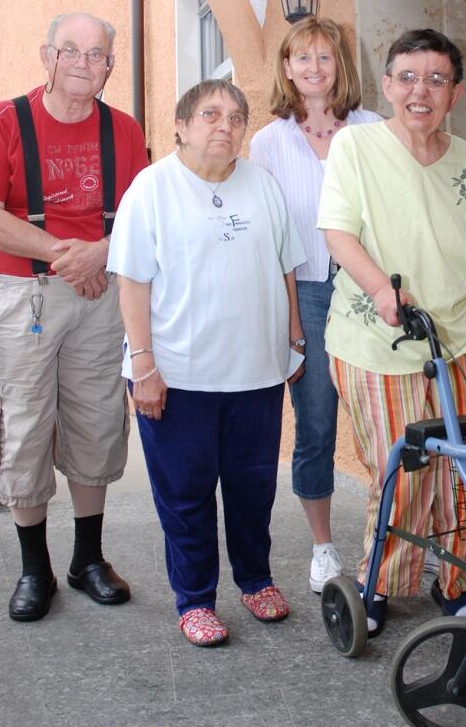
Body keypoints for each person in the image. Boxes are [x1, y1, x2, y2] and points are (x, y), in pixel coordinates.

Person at [317, 28, 466, 635]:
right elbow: (339, 234)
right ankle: (379, 584)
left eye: (436, 79)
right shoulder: (356, 147)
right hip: (382, 340)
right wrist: (381, 288)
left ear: (456, 92)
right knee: (404, 470)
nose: (420, 90)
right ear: (389, 85)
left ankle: (461, 578)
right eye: (407, 77)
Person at [0, 12, 148, 621]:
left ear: (109, 67)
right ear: (47, 56)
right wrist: (66, 256)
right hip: (23, 295)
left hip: (100, 292)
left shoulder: (123, 129)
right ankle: (34, 568)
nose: (82, 63)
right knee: (23, 422)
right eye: (70, 50)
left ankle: (87, 559)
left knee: (96, 418)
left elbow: (141, 218)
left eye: (96, 54)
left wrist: (102, 252)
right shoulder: (1, 121)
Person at [107, 79, 306, 647]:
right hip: (177, 376)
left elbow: (286, 266)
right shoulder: (151, 189)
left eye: (237, 117)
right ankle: (194, 599)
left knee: (252, 487)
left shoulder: (261, 184)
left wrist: (294, 338)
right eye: (211, 114)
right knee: (186, 492)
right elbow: (132, 283)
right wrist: (142, 364)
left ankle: (255, 579)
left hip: (256, 373)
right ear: (181, 125)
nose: (226, 125)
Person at [249, 17, 380, 594]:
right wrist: (292, 329)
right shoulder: (269, 142)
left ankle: (393, 537)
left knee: (385, 418)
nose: (314, 68)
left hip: (367, 292)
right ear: (286, 68)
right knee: (318, 421)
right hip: (304, 291)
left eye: (325, 58)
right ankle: (324, 548)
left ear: (340, 66)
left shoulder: (373, 129)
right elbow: (273, 240)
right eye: (302, 58)